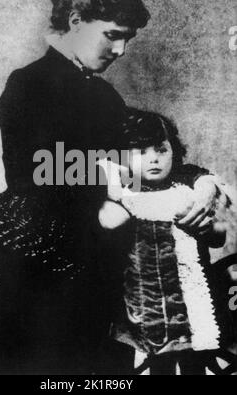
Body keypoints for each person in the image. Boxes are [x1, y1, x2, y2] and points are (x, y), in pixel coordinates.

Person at [0, 0, 219, 375]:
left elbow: (148, 161)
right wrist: (117, 192)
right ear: (75, 21)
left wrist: (202, 182)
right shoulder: (28, 86)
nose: (120, 49)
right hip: (32, 264)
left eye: (128, 39)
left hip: (93, 264)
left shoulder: (103, 96)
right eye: (113, 35)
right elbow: (36, 178)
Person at [98, 111, 237, 375]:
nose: (154, 158)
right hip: (143, 308)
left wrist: (205, 225)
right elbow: (107, 223)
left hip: (189, 307)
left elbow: (218, 238)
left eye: (161, 149)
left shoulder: (186, 190)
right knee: (148, 366)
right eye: (140, 151)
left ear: (174, 151)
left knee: (192, 363)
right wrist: (115, 199)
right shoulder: (127, 196)